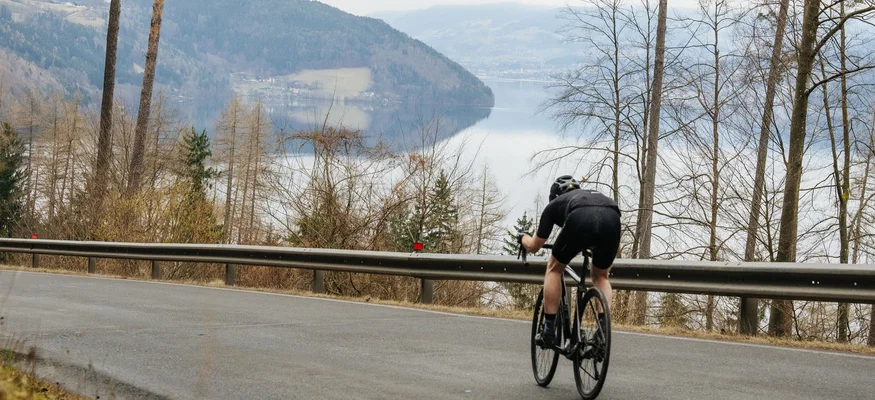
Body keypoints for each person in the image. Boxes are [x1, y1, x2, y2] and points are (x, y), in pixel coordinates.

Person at [519, 175, 621, 347]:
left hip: (580, 217)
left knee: (554, 268)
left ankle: (549, 330)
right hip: (612, 215)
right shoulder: (592, 194)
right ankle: (603, 330)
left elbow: (535, 245)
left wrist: (523, 237)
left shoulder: (554, 205)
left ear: (555, 195)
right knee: (601, 276)